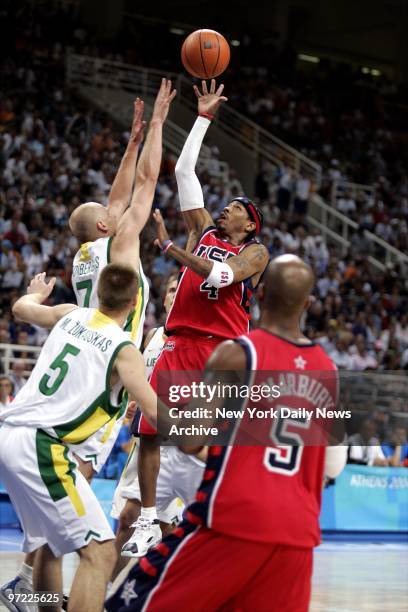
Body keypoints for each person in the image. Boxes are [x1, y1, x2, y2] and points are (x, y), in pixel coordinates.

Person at [107, 255, 347, 612]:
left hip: (233, 523)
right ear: (308, 304)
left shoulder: (237, 354)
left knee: (127, 605)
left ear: (259, 294)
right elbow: (333, 468)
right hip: (298, 536)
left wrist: (144, 394)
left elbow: (190, 439)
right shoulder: (328, 370)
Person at [125, 79, 269, 557]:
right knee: (150, 429)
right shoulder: (202, 229)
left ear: (247, 223)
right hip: (177, 341)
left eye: (232, 208)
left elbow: (222, 275)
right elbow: (184, 168)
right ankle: (147, 519)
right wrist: (204, 117)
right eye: (221, 206)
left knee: (201, 446)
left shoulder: (255, 252)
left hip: (218, 355)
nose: (221, 208)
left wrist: (170, 249)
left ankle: (227, 514)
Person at [0, 266, 159, 612]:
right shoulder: (125, 348)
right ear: (135, 302)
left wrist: (36, 294)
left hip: (10, 436)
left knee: (51, 543)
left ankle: (31, 599)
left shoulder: (71, 314)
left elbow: (21, 309)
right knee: (100, 553)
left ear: (99, 293)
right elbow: (157, 415)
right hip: (41, 446)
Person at [69, 78, 176, 480]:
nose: (115, 207)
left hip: (85, 350)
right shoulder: (118, 245)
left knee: (73, 455)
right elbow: (147, 184)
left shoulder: (85, 255)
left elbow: (117, 200)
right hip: (111, 362)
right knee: (83, 467)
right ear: (103, 224)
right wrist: (159, 123)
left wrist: (132, 143)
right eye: (107, 210)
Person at [112, 273, 206, 579]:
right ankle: (97, 590)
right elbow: (136, 377)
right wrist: (131, 399)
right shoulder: (152, 336)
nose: (174, 293)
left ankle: (170, 589)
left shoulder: (200, 339)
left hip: (182, 443)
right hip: (149, 442)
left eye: (180, 289)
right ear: (165, 298)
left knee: (170, 529)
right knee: (129, 518)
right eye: (170, 288)